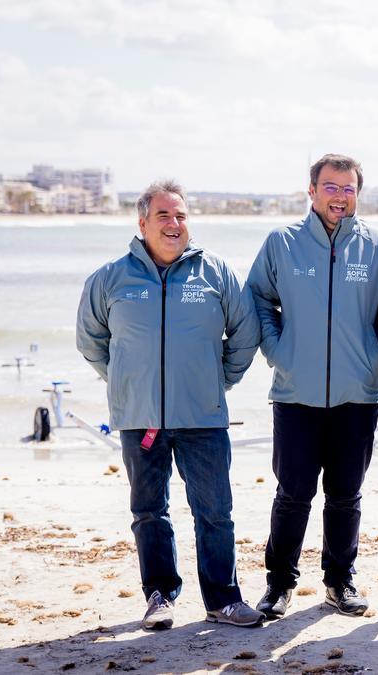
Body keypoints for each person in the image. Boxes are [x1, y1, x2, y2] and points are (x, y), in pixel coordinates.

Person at [76, 180, 264, 629]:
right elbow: (91, 341)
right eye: (163, 215)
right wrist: (127, 381)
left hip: (203, 416)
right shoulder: (111, 277)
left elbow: (246, 333)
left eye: (180, 215)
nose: (174, 224)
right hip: (140, 419)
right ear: (142, 223)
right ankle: (159, 596)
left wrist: (219, 380)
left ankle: (223, 599)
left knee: (215, 512)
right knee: (148, 511)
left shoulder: (215, 273)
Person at [246, 154, 378, 619]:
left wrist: (377, 359)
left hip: (358, 395)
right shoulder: (282, 243)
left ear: (358, 193)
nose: (340, 196)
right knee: (292, 494)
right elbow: (257, 298)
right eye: (330, 187)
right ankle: (279, 584)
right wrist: (279, 350)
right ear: (311, 191)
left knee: (346, 494)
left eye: (348, 188)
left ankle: (339, 580)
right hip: (296, 394)